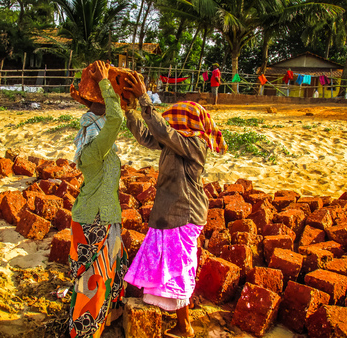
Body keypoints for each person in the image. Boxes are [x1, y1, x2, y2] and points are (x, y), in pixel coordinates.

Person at [123, 72, 227, 338]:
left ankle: (186, 327)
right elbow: (148, 137)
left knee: (178, 270)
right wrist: (130, 111)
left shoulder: (193, 144)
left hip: (184, 213)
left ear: (185, 123)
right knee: (170, 267)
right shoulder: (175, 143)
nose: (170, 125)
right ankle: (177, 321)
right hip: (170, 213)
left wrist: (145, 99)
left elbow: (163, 131)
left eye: (173, 121)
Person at [68, 60, 128, 338]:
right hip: (94, 221)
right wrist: (105, 83)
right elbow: (117, 119)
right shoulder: (95, 146)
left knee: (109, 274)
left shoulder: (97, 142)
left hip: (104, 218)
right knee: (91, 285)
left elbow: (117, 117)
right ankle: (82, 333)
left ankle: (102, 324)